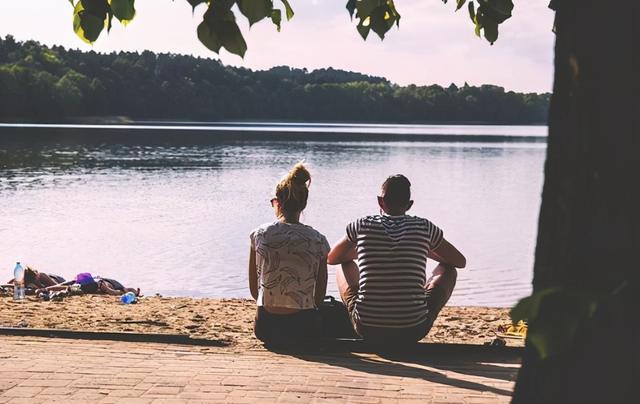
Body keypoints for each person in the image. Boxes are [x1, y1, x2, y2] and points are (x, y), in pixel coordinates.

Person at [328, 174, 466, 344]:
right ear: (409, 205)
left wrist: (368, 249)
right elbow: (460, 262)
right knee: (448, 269)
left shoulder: (362, 225)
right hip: (414, 329)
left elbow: (332, 258)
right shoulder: (424, 227)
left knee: (343, 264)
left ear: (380, 201)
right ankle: (412, 307)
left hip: (367, 327)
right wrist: (424, 248)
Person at [249, 162, 330, 346]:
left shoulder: (259, 235)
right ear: (304, 204)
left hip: (265, 328)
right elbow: (319, 298)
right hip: (303, 330)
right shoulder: (318, 240)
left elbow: (255, 292)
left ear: (277, 203)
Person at [35, 272, 140, 297]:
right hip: (90, 282)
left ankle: (46, 289)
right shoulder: (103, 283)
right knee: (70, 287)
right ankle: (46, 289)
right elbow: (122, 291)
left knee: (70, 287)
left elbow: (120, 291)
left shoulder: (107, 284)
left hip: (91, 282)